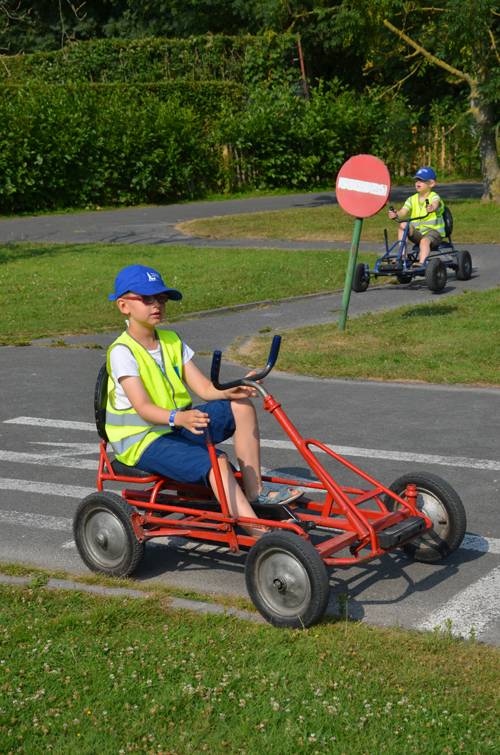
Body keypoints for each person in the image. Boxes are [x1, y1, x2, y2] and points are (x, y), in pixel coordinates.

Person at [105, 264, 302, 538]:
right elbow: (142, 408)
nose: (157, 304)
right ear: (124, 306)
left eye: (161, 298)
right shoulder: (122, 351)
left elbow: (205, 388)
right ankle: (257, 533)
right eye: (147, 298)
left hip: (175, 427)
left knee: (241, 405)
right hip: (142, 439)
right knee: (217, 461)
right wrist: (179, 418)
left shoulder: (171, 340)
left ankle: (255, 491)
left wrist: (232, 390)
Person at [388, 167, 445, 267]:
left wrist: (432, 207)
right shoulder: (412, 199)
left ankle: (422, 263)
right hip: (419, 233)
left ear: (431, 183)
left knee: (424, 241)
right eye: (416, 180)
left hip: (434, 233)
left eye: (422, 180)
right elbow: (403, 211)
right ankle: (403, 257)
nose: (418, 182)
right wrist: (396, 215)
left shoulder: (434, 196)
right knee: (403, 225)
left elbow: (436, 204)